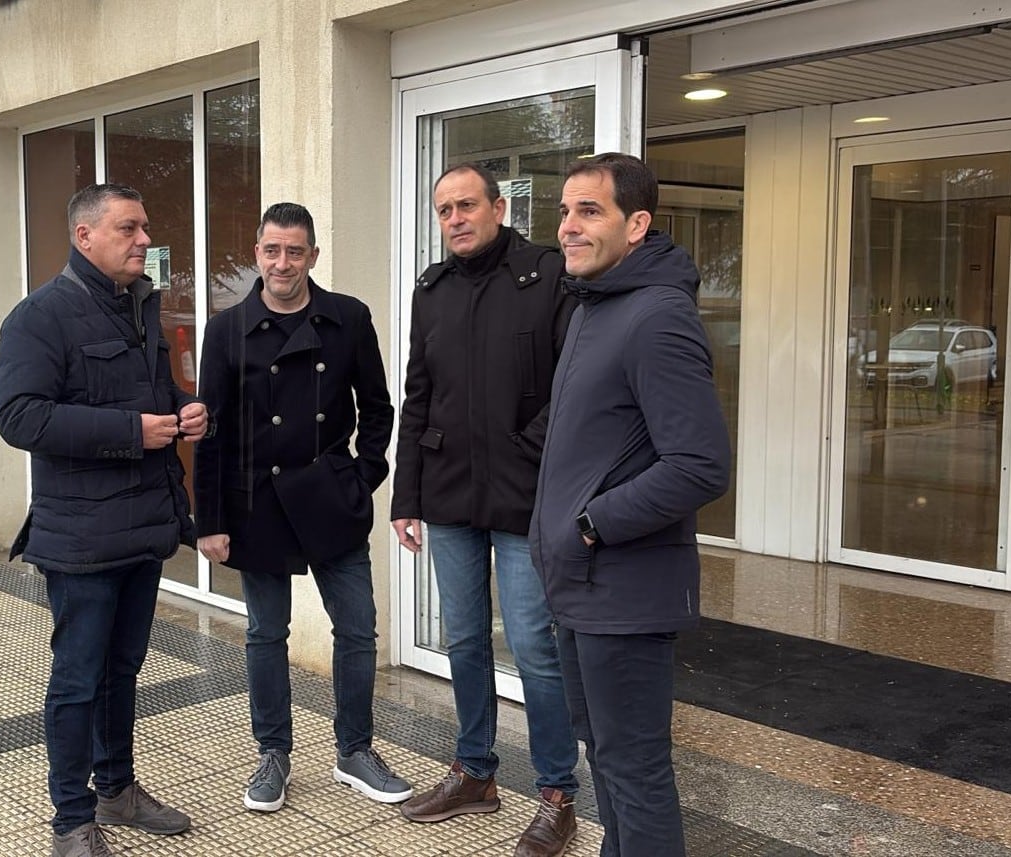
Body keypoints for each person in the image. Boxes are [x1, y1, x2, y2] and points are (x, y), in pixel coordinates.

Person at [0, 183, 206, 857]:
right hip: (80, 538)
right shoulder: (39, 317)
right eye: (129, 228)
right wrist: (129, 431)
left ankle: (117, 789)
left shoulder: (139, 307)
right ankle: (71, 820)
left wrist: (184, 407)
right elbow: (18, 416)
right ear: (85, 236)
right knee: (78, 679)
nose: (144, 239)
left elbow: (149, 392)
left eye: (144, 227)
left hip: (143, 528)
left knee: (123, 668)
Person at [530, 153, 731, 857]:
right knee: (607, 763)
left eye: (590, 211)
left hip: (625, 588)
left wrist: (591, 523)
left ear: (637, 223)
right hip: (581, 587)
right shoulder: (594, 306)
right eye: (564, 210)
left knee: (636, 775)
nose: (569, 226)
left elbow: (701, 464)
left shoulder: (657, 316)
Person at [194, 202, 412, 814]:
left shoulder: (347, 318)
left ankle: (355, 751)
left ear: (312, 256)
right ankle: (273, 754)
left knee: (358, 629)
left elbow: (378, 408)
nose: (282, 262)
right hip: (256, 503)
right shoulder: (227, 329)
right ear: (257, 254)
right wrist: (207, 520)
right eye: (271, 250)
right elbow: (211, 430)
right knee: (266, 634)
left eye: (295, 251)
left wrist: (359, 476)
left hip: (329, 500)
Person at [392, 163, 580, 857]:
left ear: (499, 206)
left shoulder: (546, 275)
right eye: (444, 210)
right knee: (464, 640)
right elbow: (418, 396)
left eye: (467, 205)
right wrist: (405, 495)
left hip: (523, 495)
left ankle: (557, 792)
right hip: (447, 493)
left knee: (532, 644)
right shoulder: (432, 290)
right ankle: (475, 771)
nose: (456, 219)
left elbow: (572, 385)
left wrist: (528, 453)